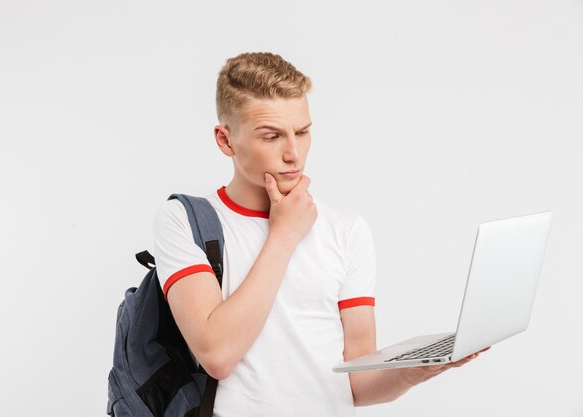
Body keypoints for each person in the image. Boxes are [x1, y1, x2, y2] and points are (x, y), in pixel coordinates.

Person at [153, 52, 488, 416]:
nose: (293, 153)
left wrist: (421, 368)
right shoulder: (183, 220)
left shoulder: (347, 230)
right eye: (271, 136)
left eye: (302, 132)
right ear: (225, 140)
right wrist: (283, 234)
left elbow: (357, 380)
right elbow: (216, 355)